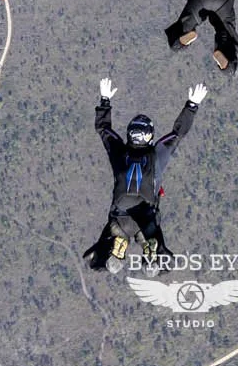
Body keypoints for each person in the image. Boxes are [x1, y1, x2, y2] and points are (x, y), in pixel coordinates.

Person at [85, 80, 205, 271]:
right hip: (146, 217)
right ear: (149, 136)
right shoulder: (156, 155)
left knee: (109, 241)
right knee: (153, 242)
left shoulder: (119, 153)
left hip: (120, 216)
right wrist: (192, 105)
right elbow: (177, 134)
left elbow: (103, 129)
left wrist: (105, 100)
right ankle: (150, 252)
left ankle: (118, 244)